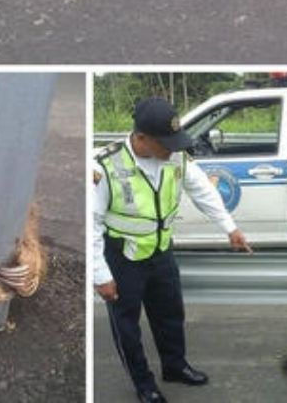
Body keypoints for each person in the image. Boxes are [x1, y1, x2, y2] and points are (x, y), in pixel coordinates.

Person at [93, 96, 254, 403]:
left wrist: (229, 228)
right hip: (123, 257)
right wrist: (100, 275)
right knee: (126, 326)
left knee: (170, 314)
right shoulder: (105, 166)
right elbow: (92, 225)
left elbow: (202, 190)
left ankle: (175, 366)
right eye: (165, 142)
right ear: (141, 138)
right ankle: (144, 384)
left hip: (161, 252)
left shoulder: (175, 157)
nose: (173, 148)